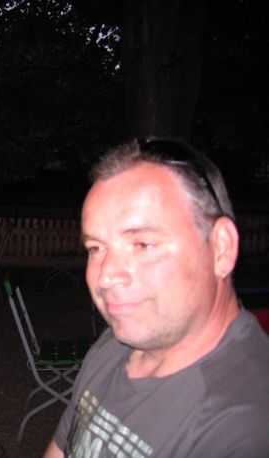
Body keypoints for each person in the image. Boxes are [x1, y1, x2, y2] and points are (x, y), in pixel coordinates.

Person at [44, 138, 269, 458]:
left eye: (142, 244)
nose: (105, 277)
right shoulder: (115, 348)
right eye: (96, 248)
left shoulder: (244, 426)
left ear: (221, 248)